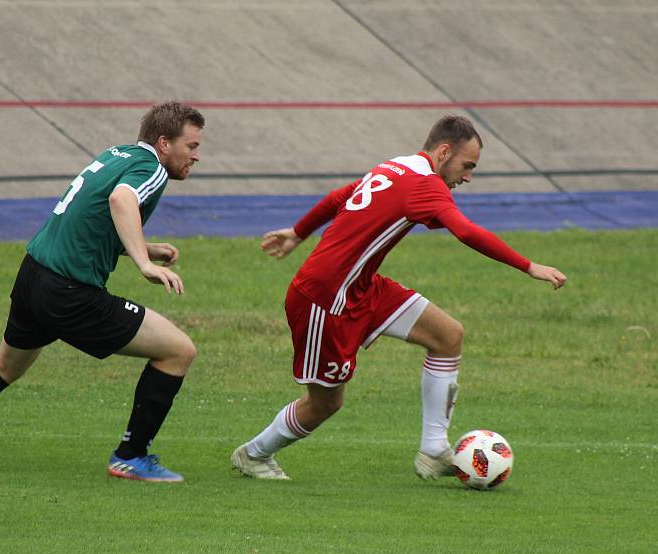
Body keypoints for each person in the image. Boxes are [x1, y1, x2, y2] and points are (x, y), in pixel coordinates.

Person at [230, 115, 567, 481]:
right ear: (443, 152)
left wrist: (299, 231)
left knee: (447, 335)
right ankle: (254, 454)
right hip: (324, 299)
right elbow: (466, 231)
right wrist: (527, 265)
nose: (467, 177)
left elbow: (340, 197)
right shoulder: (426, 183)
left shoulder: (395, 165)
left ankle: (434, 449)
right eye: (467, 166)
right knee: (325, 403)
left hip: (362, 287)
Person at [0, 101, 205, 482]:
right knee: (178, 350)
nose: (197, 156)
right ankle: (132, 456)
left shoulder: (118, 154)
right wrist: (145, 264)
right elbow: (120, 201)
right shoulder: (151, 169)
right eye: (191, 146)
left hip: (33, 276)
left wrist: (145, 248)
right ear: (164, 143)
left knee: (5, 365)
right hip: (69, 291)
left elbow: (88, 218)